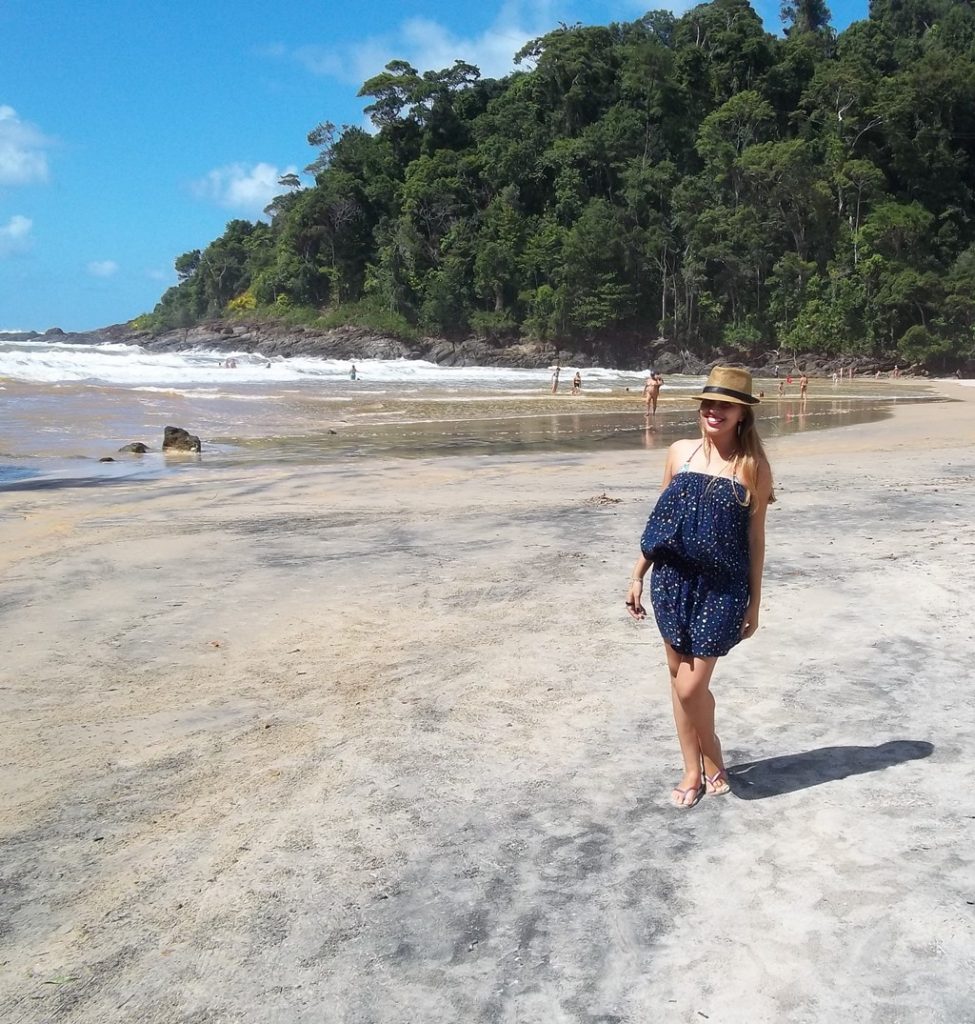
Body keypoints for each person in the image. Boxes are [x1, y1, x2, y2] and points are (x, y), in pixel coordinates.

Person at [626, 366, 774, 809]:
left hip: (722, 588)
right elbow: (663, 523)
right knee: (677, 681)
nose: (714, 411)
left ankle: (714, 756)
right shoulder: (679, 453)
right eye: (708, 403)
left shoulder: (753, 467)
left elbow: (756, 539)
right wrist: (637, 574)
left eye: (724, 405)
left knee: (692, 689)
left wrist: (755, 602)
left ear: (742, 414)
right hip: (672, 580)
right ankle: (695, 767)